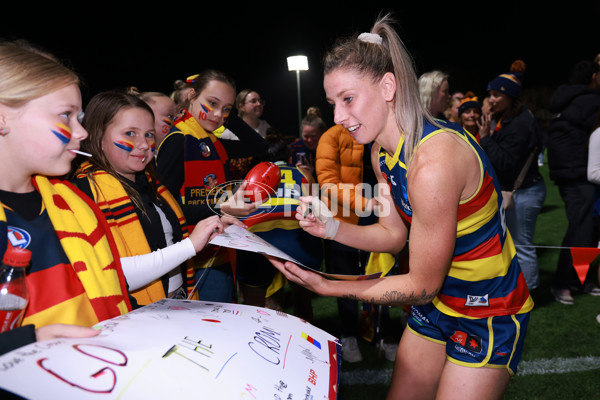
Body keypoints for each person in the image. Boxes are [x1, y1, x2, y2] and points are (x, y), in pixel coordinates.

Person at [268, 15, 533, 399]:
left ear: (388, 86)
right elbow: (393, 237)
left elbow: (422, 284)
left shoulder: (433, 162)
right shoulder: (381, 153)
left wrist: (330, 286)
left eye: (348, 99)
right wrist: (330, 228)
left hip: (486, 311)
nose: (338, 118)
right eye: (332, 104)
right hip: (435, 304)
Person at [0, 41, 133, 337]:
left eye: (80, 119)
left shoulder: (76, 204)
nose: (82, 132)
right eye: (65, 115)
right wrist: (24, 342)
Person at [72, 90, 226, 306]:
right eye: (130, 133)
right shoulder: (83, 192)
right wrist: (190, 245)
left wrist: (212, 227)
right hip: (139, 314)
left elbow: (166, 241)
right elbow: (111, 274)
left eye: (149, 134)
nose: (144, 144)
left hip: (177, 301)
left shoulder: (152, 182)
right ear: (98, 137)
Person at [156, 69, 259, 303]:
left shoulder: (213, 139)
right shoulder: (178, 140)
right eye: (211, 103)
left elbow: (257, 146)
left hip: (219, 249)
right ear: (191, 95)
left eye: (226, 109)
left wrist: (226, 115)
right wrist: (222, 209)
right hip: (192, 258)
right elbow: (165, 208)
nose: (217, 114)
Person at [316, 123, 397, 362]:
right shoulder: (331, 136)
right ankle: (349, 334)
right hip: (343, 219)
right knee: (347, 279)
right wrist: (363, 204)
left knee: (381, 276)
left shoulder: (382, 131)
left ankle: (382, 333)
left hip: (381, 217)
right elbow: (328, 182)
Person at [236, 135, 322, 321]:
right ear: (290, 159)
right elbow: (316, 210)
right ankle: (303, 345)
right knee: (303, 304)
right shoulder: (304, 174)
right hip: (297, 242)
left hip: (256, 242)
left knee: (254, 311)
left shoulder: (251, 176)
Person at [479, 60, 546, 292]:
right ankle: (518, 288)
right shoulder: (509, 118)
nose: (491, 99)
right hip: (520, 190)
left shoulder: (520, 124)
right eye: (490, 94)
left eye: (497, 94)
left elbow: (506, 164)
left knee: (522, 244)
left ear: (510, 96)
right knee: (513, 242)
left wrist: (486, 138)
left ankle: (530, 290)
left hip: (525, 191)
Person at [546, 59, 600, 303]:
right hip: (579, 174)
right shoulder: (590, 100)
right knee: (581, 230)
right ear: (593, 77)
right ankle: (563, 283)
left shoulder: (567, 98)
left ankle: (580, 279)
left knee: (587, 230)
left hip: (570, 173)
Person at [289, 107, 327, 178]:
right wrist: (295, 172)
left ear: (322, 134)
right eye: (306, 136)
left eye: (313, 136)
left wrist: (313, 173)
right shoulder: (294, 148)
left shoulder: (329, 149)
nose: (309, 140)